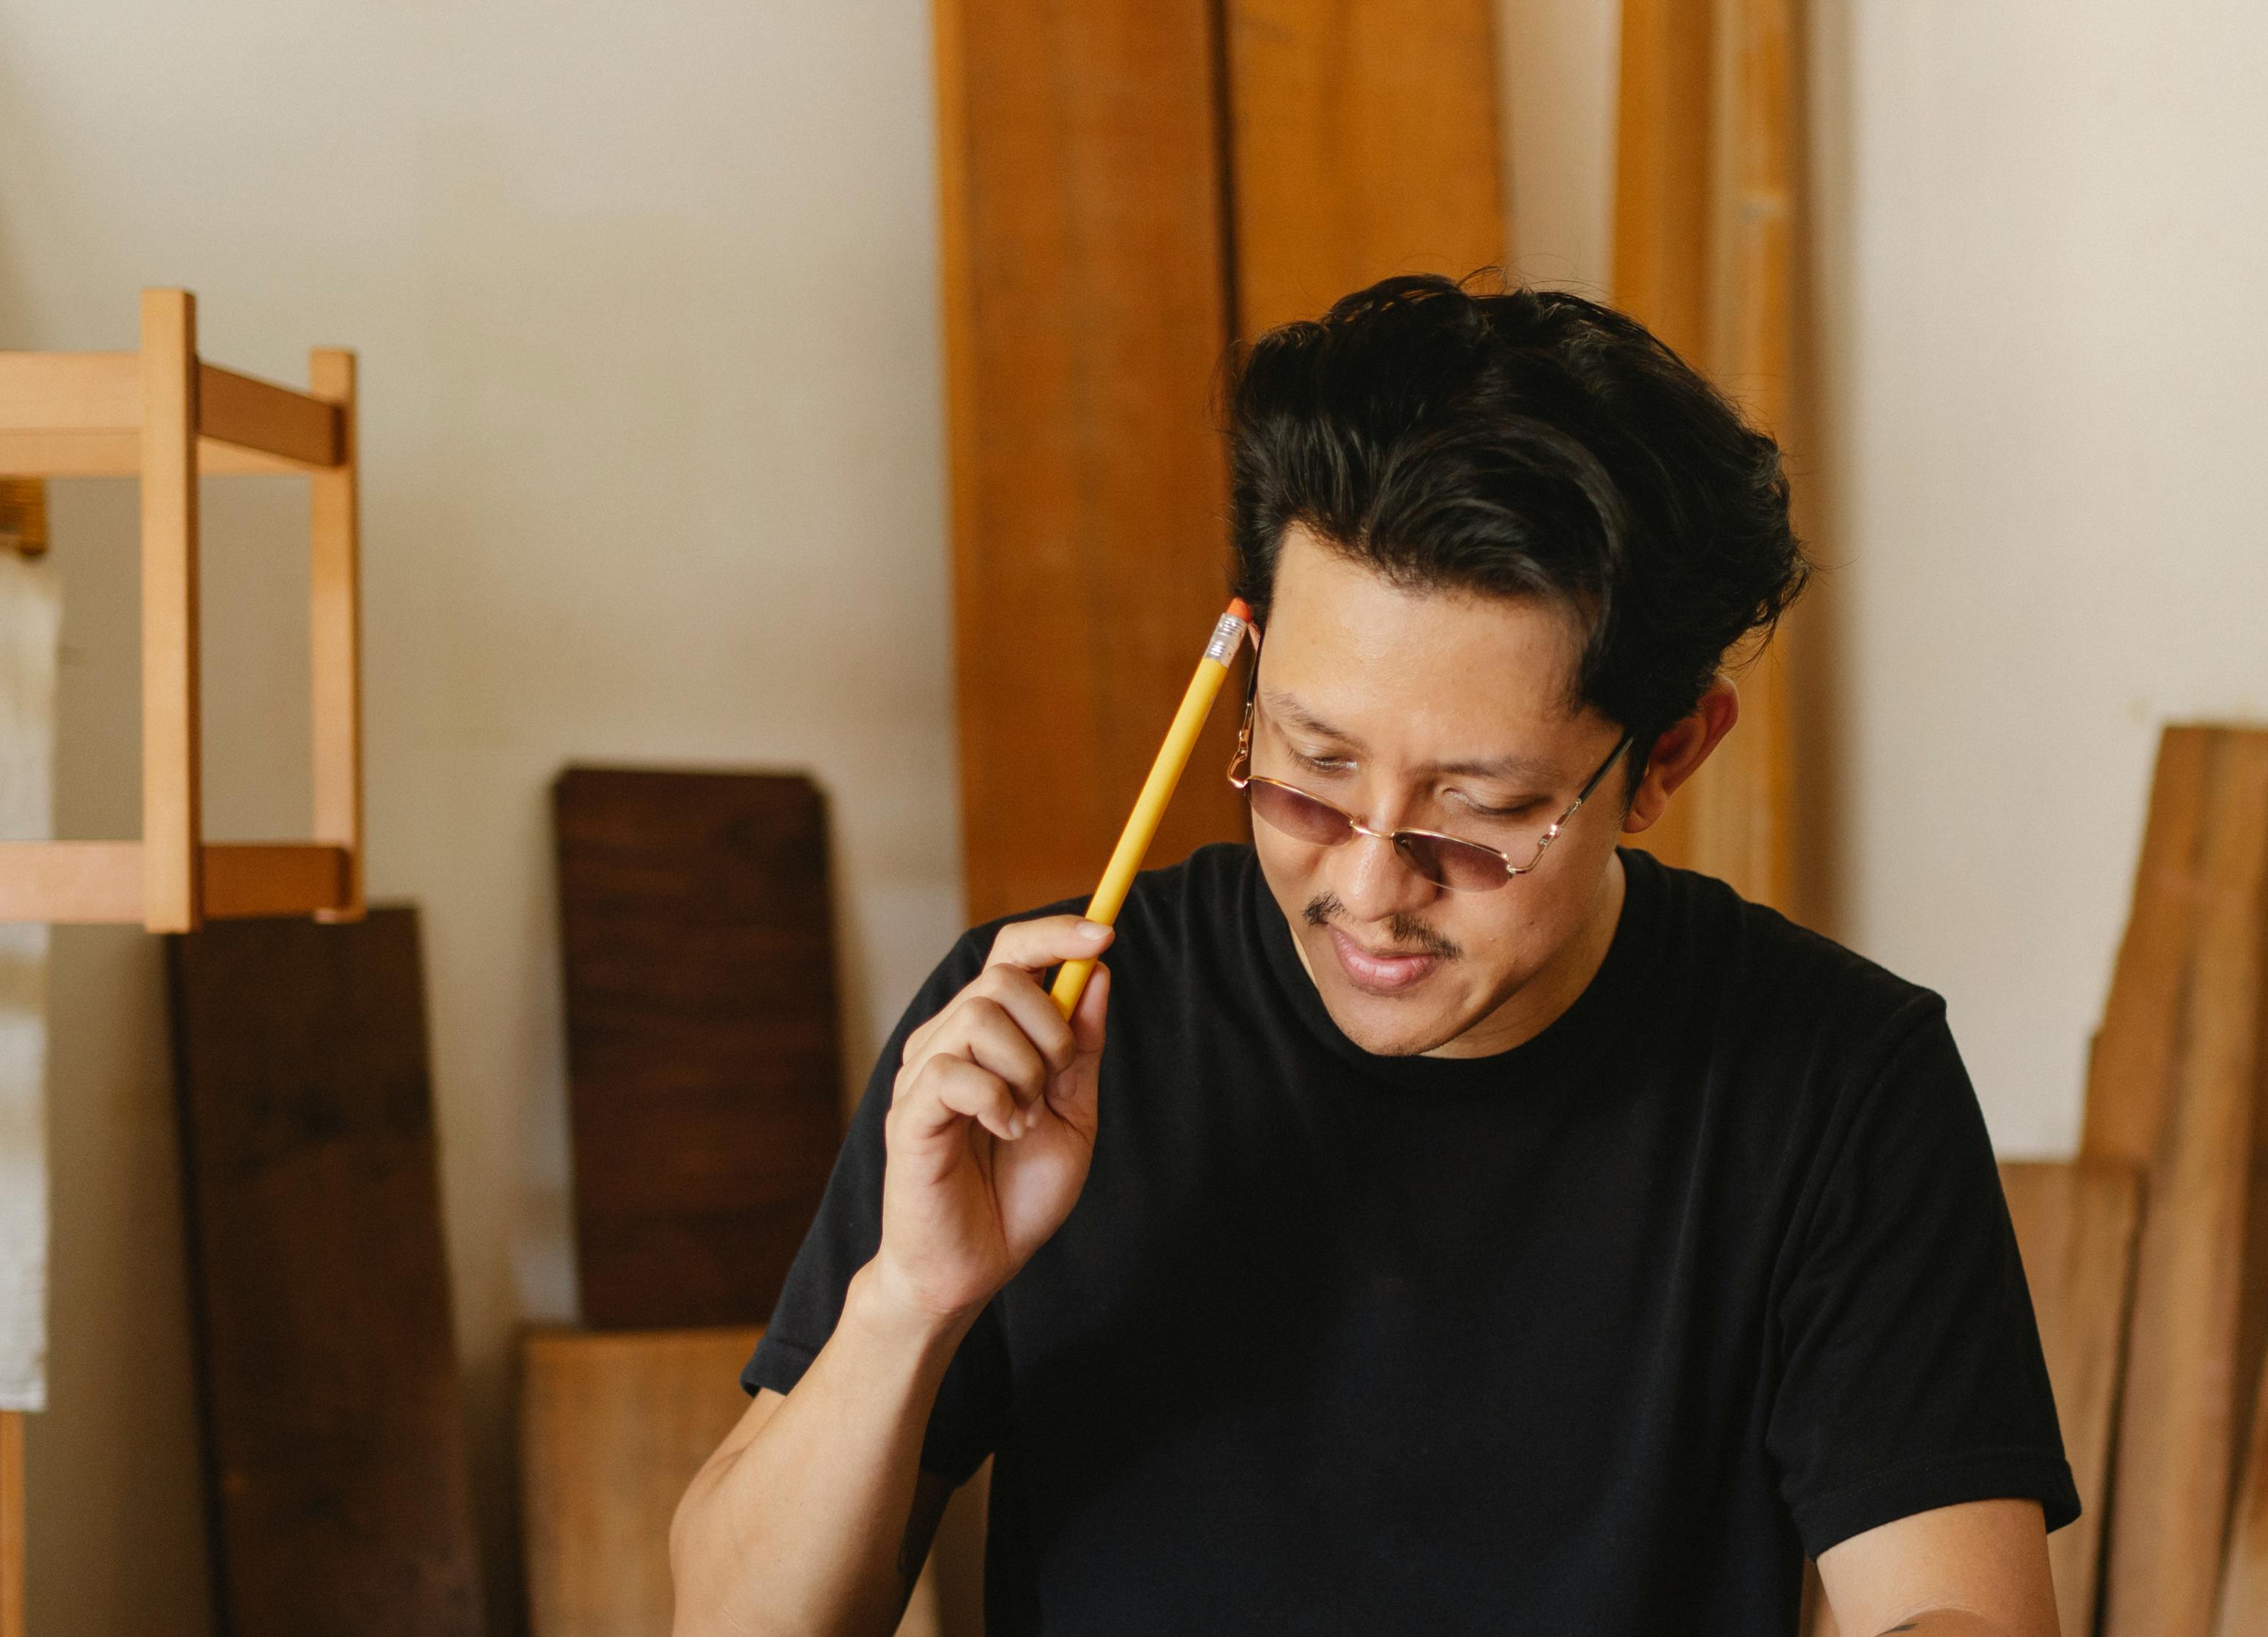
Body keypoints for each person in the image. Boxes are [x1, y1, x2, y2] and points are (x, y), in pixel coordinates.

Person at [671, 275, 2075, 1636]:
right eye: (1311, 768)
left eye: (1481, 811)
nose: (1366, 884)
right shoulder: (1051, 1025)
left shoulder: (1834, 1080)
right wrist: (909, 1304)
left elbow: (1956, 1601)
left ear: (1667, 759)